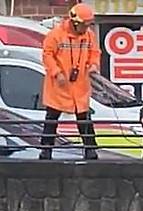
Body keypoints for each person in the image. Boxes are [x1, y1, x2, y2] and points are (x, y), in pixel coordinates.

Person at [40, 3, 100, 160]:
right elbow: (47, 55)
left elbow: (94, 53)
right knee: (51, 119)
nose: (87, 28)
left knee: (84, 119)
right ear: (75, 22)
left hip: (80, 85)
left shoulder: (89, 36)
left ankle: (90, 150)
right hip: (59, 86)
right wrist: (56, 72)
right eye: (85, 25)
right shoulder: (56, 35)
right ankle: (46, 150)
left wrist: (93, 65)